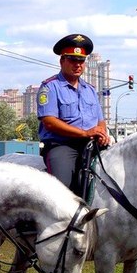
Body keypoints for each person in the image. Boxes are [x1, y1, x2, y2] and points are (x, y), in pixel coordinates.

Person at [36, 33, 110, 196]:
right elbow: (49, 122)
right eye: (72, 60)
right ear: (62, 61)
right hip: (63, 145)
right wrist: (84, 133)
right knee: (62, 190)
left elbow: (100, 120)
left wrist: (102, 133)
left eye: (81, 61)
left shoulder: (90, 90)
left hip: (91, 145)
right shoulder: (50, 87)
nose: (78, 65)